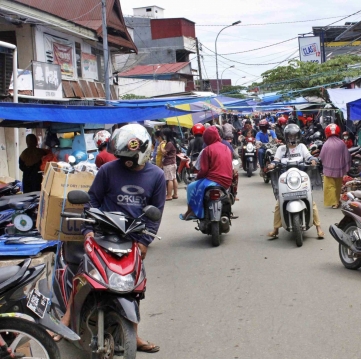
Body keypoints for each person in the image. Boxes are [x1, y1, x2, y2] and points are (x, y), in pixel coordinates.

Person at [59, 124, 165, 354]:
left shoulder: (156, 176)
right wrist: (88, 230)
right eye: (123, 158)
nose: (126, 163)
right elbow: (92, 201)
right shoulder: (107, 170)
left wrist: (144, 242)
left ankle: (133, 334)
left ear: (143, 152)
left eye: (130, 158)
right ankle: (67, 317)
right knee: (83, 271)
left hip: (133, 238)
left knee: (134, 286)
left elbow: (156, 211)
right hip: (102, 232)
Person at [266, 124, 325, 238]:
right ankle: (276, 229)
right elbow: (276, 160)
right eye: (290, 135)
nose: (292, 138)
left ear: (298, 136)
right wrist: (272, 164)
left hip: (300, 178)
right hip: (286, 179)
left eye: (294, 135)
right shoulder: (281, 149)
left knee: (310, 201)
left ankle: (318, 227)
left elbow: (308, 157)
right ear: (286, 136)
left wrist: (313, 160)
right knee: (279, 203)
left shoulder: (302, 147)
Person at [180, 126, 233, 220]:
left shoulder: (207, 150)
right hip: (227, 181)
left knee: (190, 187)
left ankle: (191, 211)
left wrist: (197, 178)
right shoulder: (226, 148)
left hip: (214, 180)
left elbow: (203, 171)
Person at [320, 124, 351, 209]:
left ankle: (334, 203)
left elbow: (321, 156)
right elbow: (347, 155)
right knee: (337, 186)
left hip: (328, 170)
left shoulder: (326, 144)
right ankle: (337, 200)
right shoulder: (341, 143)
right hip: (339, 170)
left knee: (330, 186)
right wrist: (346, 167)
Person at [161, 128, 178, 200]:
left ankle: (169, 195)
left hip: (169, 163)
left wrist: (161, 145)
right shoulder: (172, 142)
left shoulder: (169, 143)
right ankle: (175, 194)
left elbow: (164, 152)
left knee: (169, 179)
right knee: (174, 178)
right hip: (173, 163)